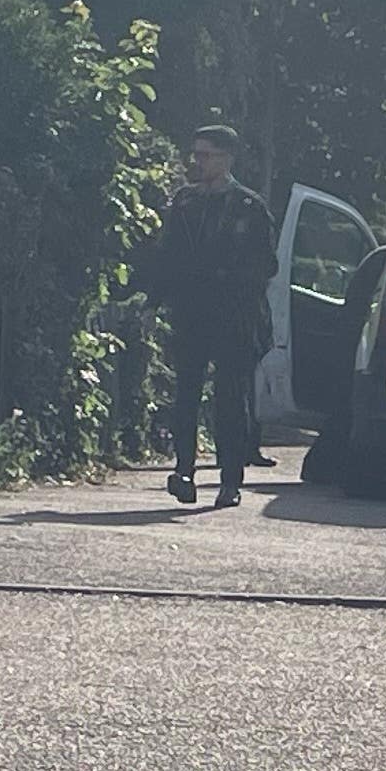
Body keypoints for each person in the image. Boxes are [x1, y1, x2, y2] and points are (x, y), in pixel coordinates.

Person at [143, 124, 279, 507]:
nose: (197, 162)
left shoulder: (249, 207)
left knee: (229, 399)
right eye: (196, 154)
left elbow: (266, 265)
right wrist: (153, 302)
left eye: (205, 155)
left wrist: (231, 279)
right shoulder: (185, 203)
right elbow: (167, 255)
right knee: (184, 394)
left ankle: (229, 480)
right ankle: (183, 468)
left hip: (233, 316)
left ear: (226, 158)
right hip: (192, 313)